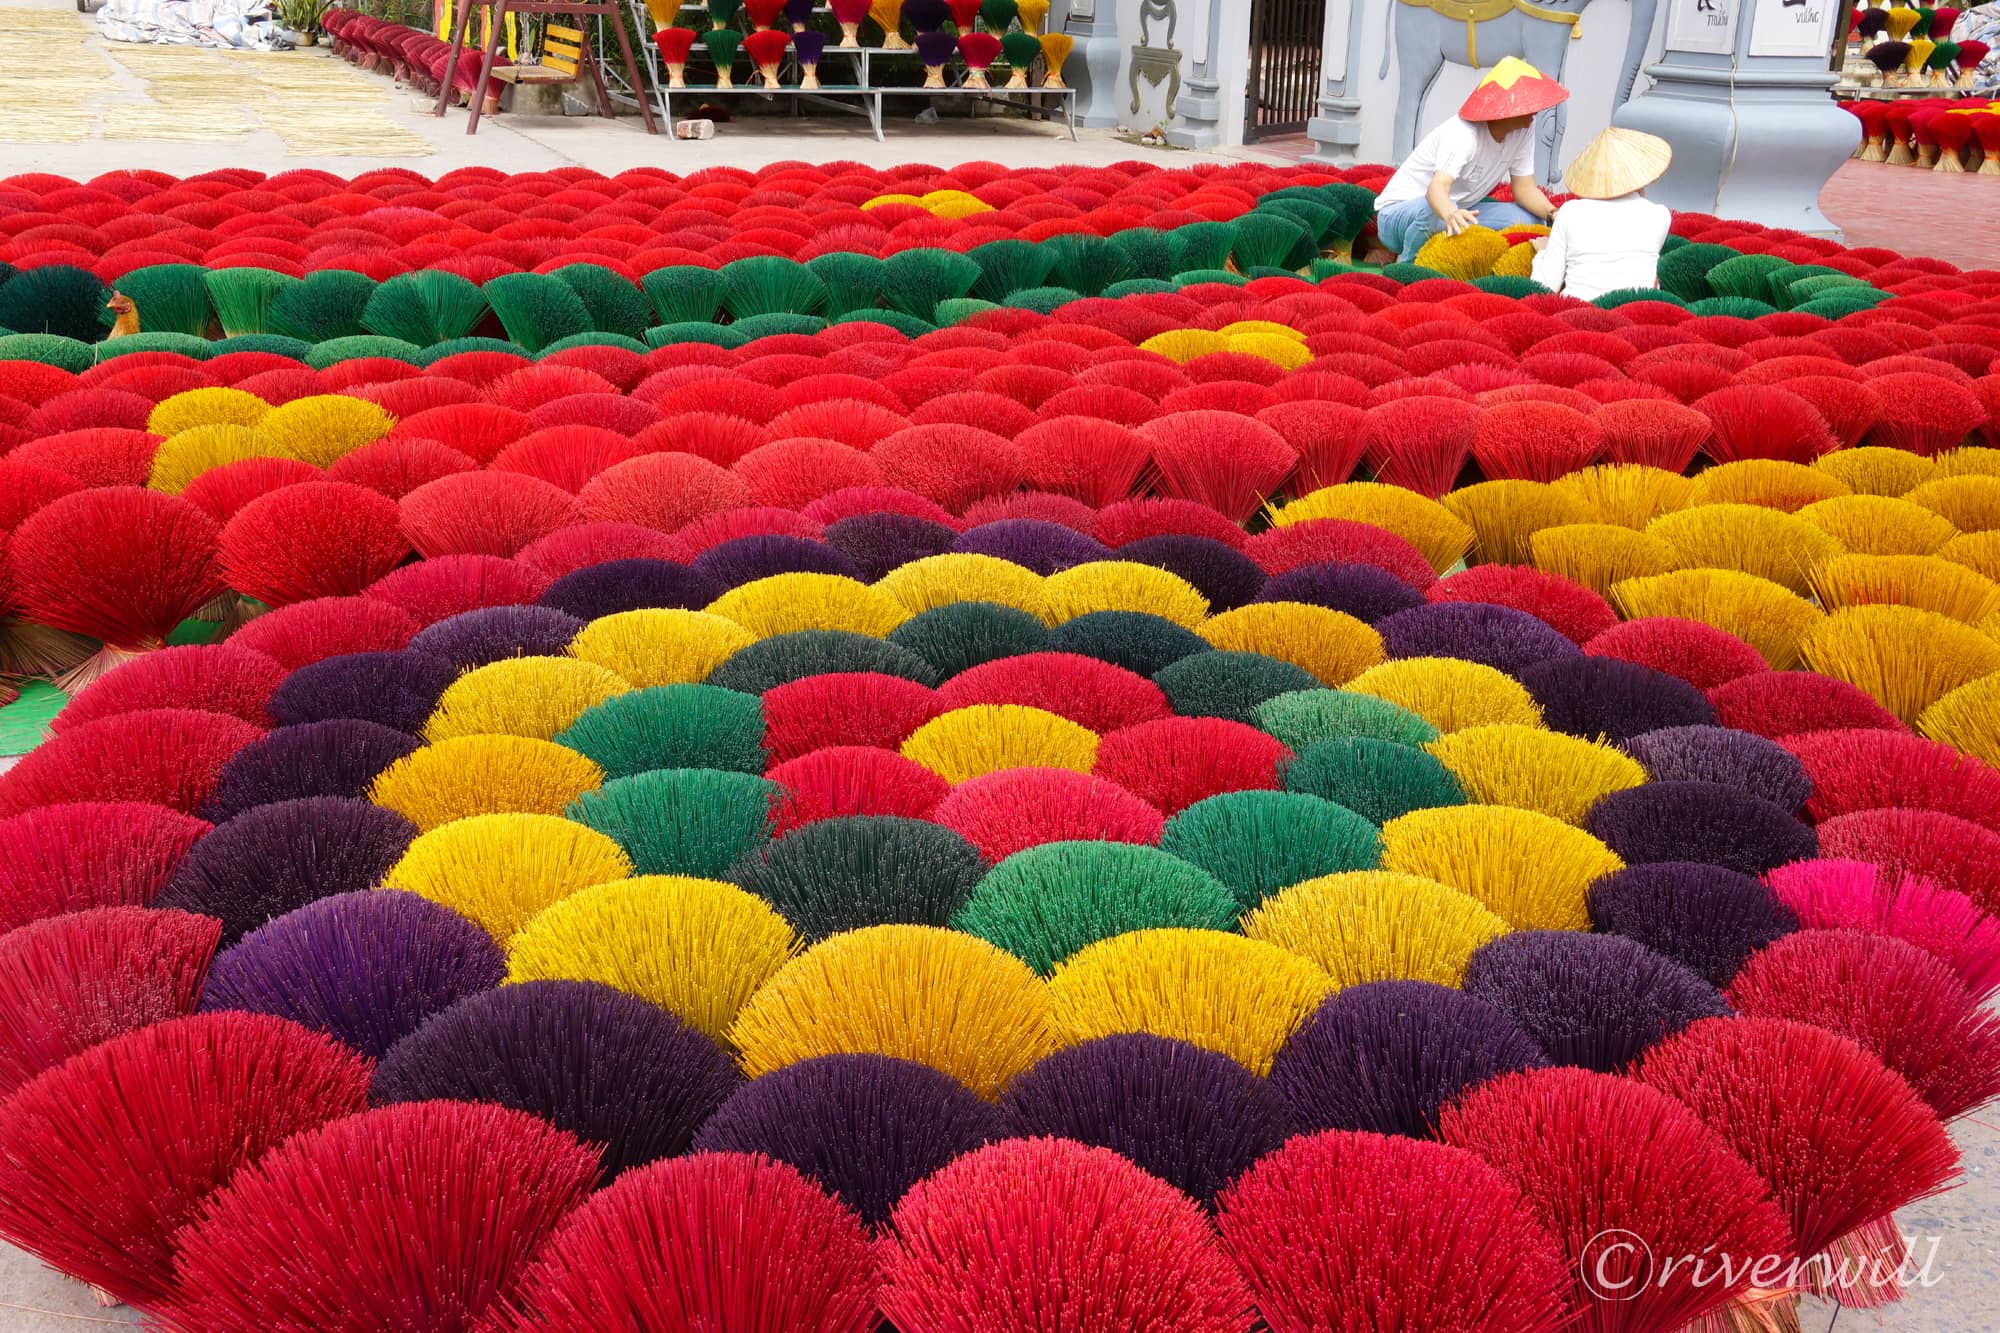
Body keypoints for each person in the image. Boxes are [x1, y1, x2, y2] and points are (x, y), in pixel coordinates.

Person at [1372, 57, 1569, 265]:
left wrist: (1553, 213)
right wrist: (1450, 214)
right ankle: (1406, 265)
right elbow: (1436, 190)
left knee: (1532, 220)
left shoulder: (1524, 131)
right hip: (1399, 215)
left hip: (1459, 211)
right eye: (1526, 106)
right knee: (1433, 209)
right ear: (1504, 110)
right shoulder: (1464, 134)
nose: (1535, 112)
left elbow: (1524, 189)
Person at [1530, 127, 1674, 302]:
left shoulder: (1570, 212)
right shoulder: (1659, 215)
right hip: (1634, 315)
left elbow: (1544, 287)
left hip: (1578, 315)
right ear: (1639, 176)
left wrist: (1543, 254)